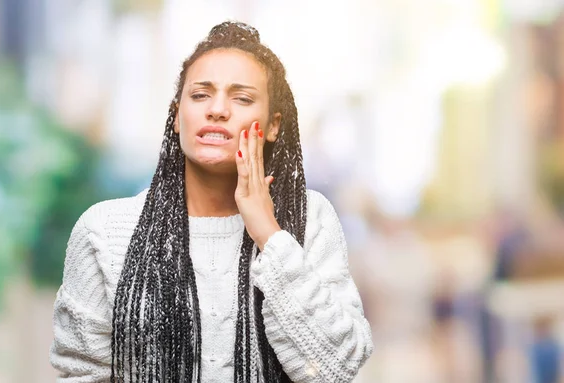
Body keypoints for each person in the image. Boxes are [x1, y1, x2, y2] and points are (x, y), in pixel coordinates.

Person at [50, 21, 374, 383]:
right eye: (200, 94)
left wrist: (268, 234)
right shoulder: (105, 231)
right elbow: (81, 374)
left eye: (242, 98)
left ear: (273, 125)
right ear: (177, 116)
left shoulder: (309, 219)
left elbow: (337, 368)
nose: (217, 109)